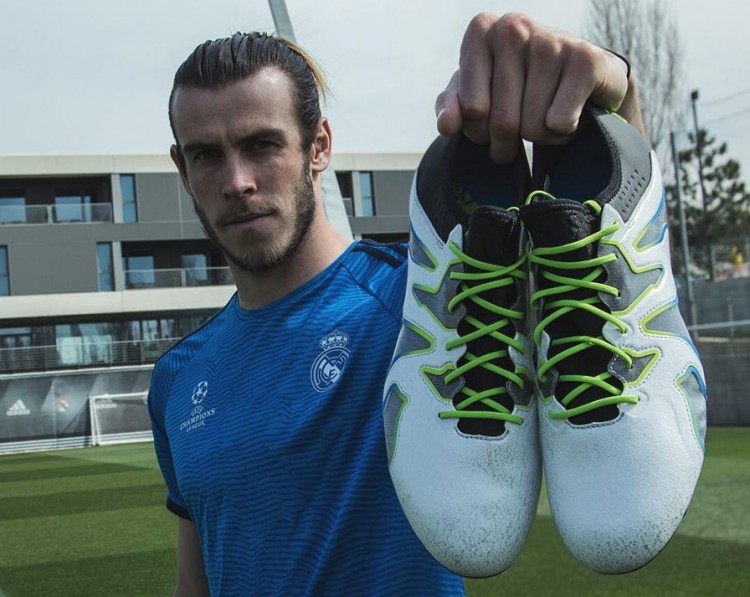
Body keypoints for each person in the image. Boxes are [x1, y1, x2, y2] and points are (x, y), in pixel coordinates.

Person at [148, 11, 642, 596]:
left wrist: (612, 85)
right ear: (182, 169)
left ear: (318, 146)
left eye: (261, 145)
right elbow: (194, 586)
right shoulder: (179, 378)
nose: (237, 181)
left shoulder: (424, 300)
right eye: (207, 155)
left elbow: (609, 269)